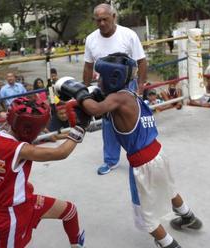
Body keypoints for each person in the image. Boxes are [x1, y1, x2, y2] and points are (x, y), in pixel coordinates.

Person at [56, 54, 202, 248]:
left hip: (143, 164)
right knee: (167, 187)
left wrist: (80, 93)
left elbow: (95, 109)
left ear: (112, 78)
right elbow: (107, 108)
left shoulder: (117, 98)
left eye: (100, 77)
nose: (98, 80)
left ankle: (168, 244)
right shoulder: (130, 93)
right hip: (158, 154)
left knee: (145, 216)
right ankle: (188, 216)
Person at [0, 97, 86, 248]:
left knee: (70, 211)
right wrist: (79, 128)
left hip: (27, 201)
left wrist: (15, 183)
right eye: (39, 129)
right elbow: (61, 152)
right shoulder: (21, 148)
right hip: (10, 216)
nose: (40, 132)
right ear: (28, 129)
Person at [82, 3, 147, 175]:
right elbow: (88, 66)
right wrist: (84, 90)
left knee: (132, 124)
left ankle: (139, 158)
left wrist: (140, 87)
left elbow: (142, 61)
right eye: (98, 20)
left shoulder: (128, 35)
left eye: (105, 19)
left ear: (114, 17)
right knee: (109, 125)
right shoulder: (91, 39)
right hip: (105, 89)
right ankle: (111, 161)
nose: (102, 23)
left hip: (128, 87)